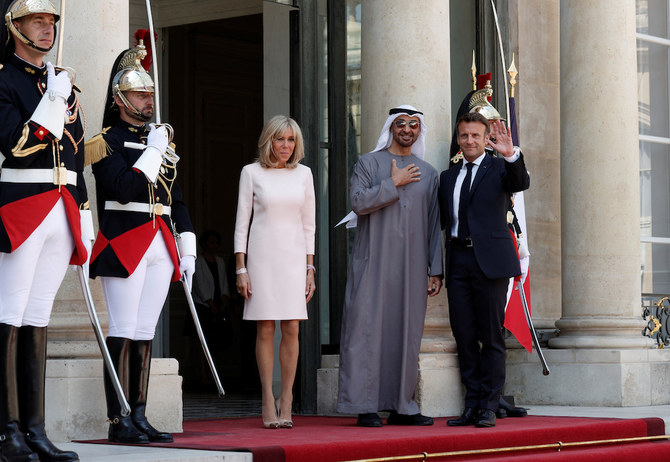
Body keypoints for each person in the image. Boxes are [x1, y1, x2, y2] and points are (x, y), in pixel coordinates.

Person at [86, 44, 196, 444]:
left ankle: (141, 414)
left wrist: (188, 247)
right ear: (120, 100)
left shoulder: (158, 143)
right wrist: (152, 152)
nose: (149, 100)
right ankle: (119, 420)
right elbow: (125, 188)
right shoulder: (105, 142)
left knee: (146, 330)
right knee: (123, 328)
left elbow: (175, 199)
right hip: (124, 242)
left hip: (160, 244)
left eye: (150, 94)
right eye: (140, 94)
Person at [0, 1, 91, 460]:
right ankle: (7, 431)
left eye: (51, 22)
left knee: (38, 317)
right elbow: (16, 145)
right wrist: (52, 101)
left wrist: (85, 212)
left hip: (62, 207)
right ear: (14, 27)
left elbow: (73, 153)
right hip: (21, 205)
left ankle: (35, 430)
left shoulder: (62, 83)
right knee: (9, 315)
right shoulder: (5, 77)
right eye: (38, 21)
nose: (46, 29)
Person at [337, 105, 443, 428]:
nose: (408, 130)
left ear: (419, 130)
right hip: (373, 263)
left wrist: (435, 269)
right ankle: (364, 406)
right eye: (401, 124)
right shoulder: (368, 164)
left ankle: (403, 406)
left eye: (413, 125)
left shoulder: (430, 173)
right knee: (365, 332)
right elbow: (358, 202)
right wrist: (393, 183)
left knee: (406, 334)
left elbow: (434, 224)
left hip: (412, 270)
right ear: (391, 128)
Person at [438, 111, 530, 428]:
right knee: (464, 336)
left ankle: (490, 405)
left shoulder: (500, 168)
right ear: (458, 139)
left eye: (476, 135)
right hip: (458, 261)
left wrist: (511, 154)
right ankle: (471, 404)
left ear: (485, 138)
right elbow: (442, 222)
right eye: (464, 136)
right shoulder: (447, 177)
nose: (469, 141)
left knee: (491, 336)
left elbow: (521, 182)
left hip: (491, 262)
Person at [234, 115, 316, 429]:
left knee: (292, 327)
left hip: (295, 257)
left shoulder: (304, 174)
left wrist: (310, 267)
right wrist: (241, 267)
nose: (285, 146)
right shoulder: (251, 173)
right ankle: (267, 398)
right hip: (261, 257)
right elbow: (242, 222)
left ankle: (288, 398)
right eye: (280, 139)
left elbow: (309, 225)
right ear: (269, 140)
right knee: (265, 327)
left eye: (291, 140)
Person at [188, 229, 231, 384]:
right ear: (204, 244)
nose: (214, 246)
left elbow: (224, 282)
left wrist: (223, 302)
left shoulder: (220, 261)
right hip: (203, 307)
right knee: (202, 342)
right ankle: (203, 375)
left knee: (216, 341)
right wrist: (210, 304)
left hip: (219, 305)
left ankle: (215, 374)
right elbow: (199, 285)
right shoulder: (198, 262)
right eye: (211, 243)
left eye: (216, 243)